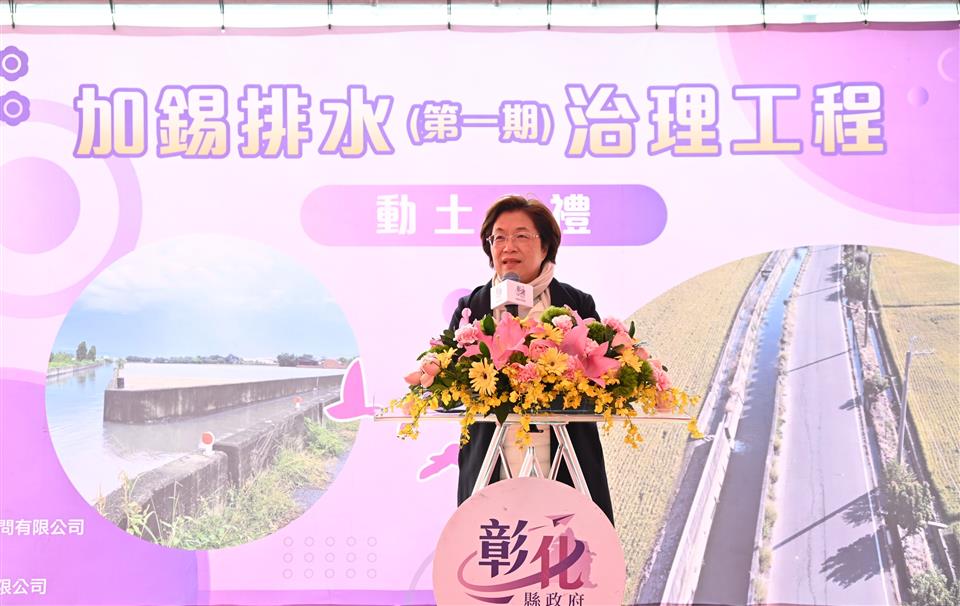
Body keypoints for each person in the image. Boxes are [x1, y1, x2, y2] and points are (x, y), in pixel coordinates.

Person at [448, 195, 615, 525]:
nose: (508, 246)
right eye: (498, 237)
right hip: (491, 463)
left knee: (569, 548)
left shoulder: (577, 303)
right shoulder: (472, 307)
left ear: (546, 245)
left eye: (521, 235)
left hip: (566, 462)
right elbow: (454, 382)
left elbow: (600, 377)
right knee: (493, 550)